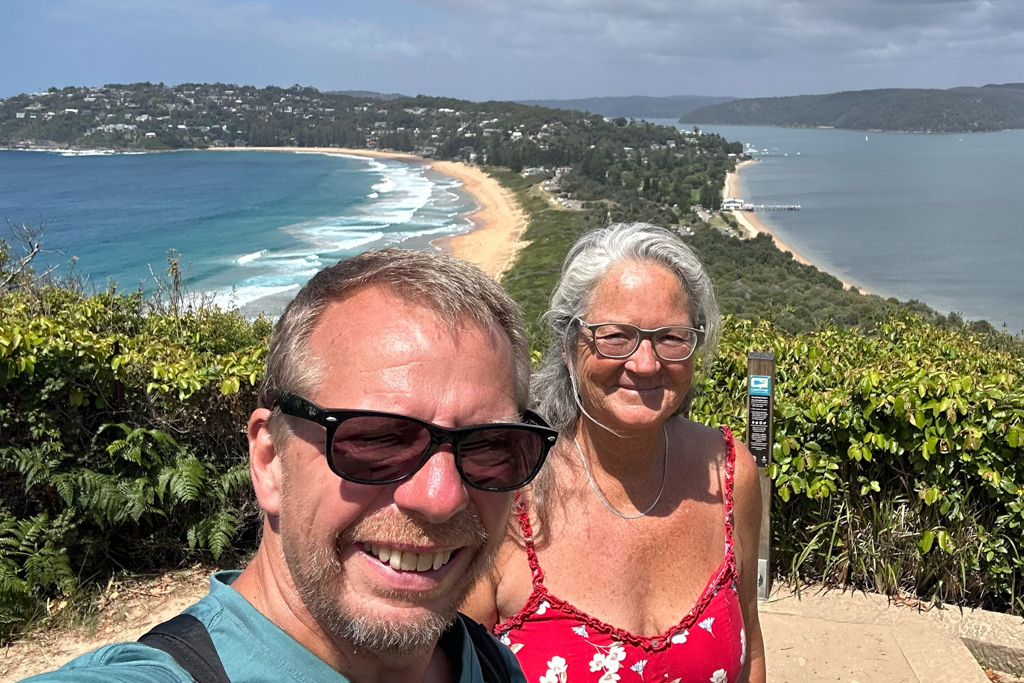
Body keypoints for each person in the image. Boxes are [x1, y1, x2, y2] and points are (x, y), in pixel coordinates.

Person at [25, 248, 561, 683]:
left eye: (490, 445)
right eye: (375, 439)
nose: (441, 496)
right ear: (270, 461)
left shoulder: (488, 663)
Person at [464, 223, 767, 683]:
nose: (645, 363)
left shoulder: (727, 473)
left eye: (671, 337)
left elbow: (751, 658)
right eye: (616, 336)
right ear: (569, 346)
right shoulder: (507, 493)